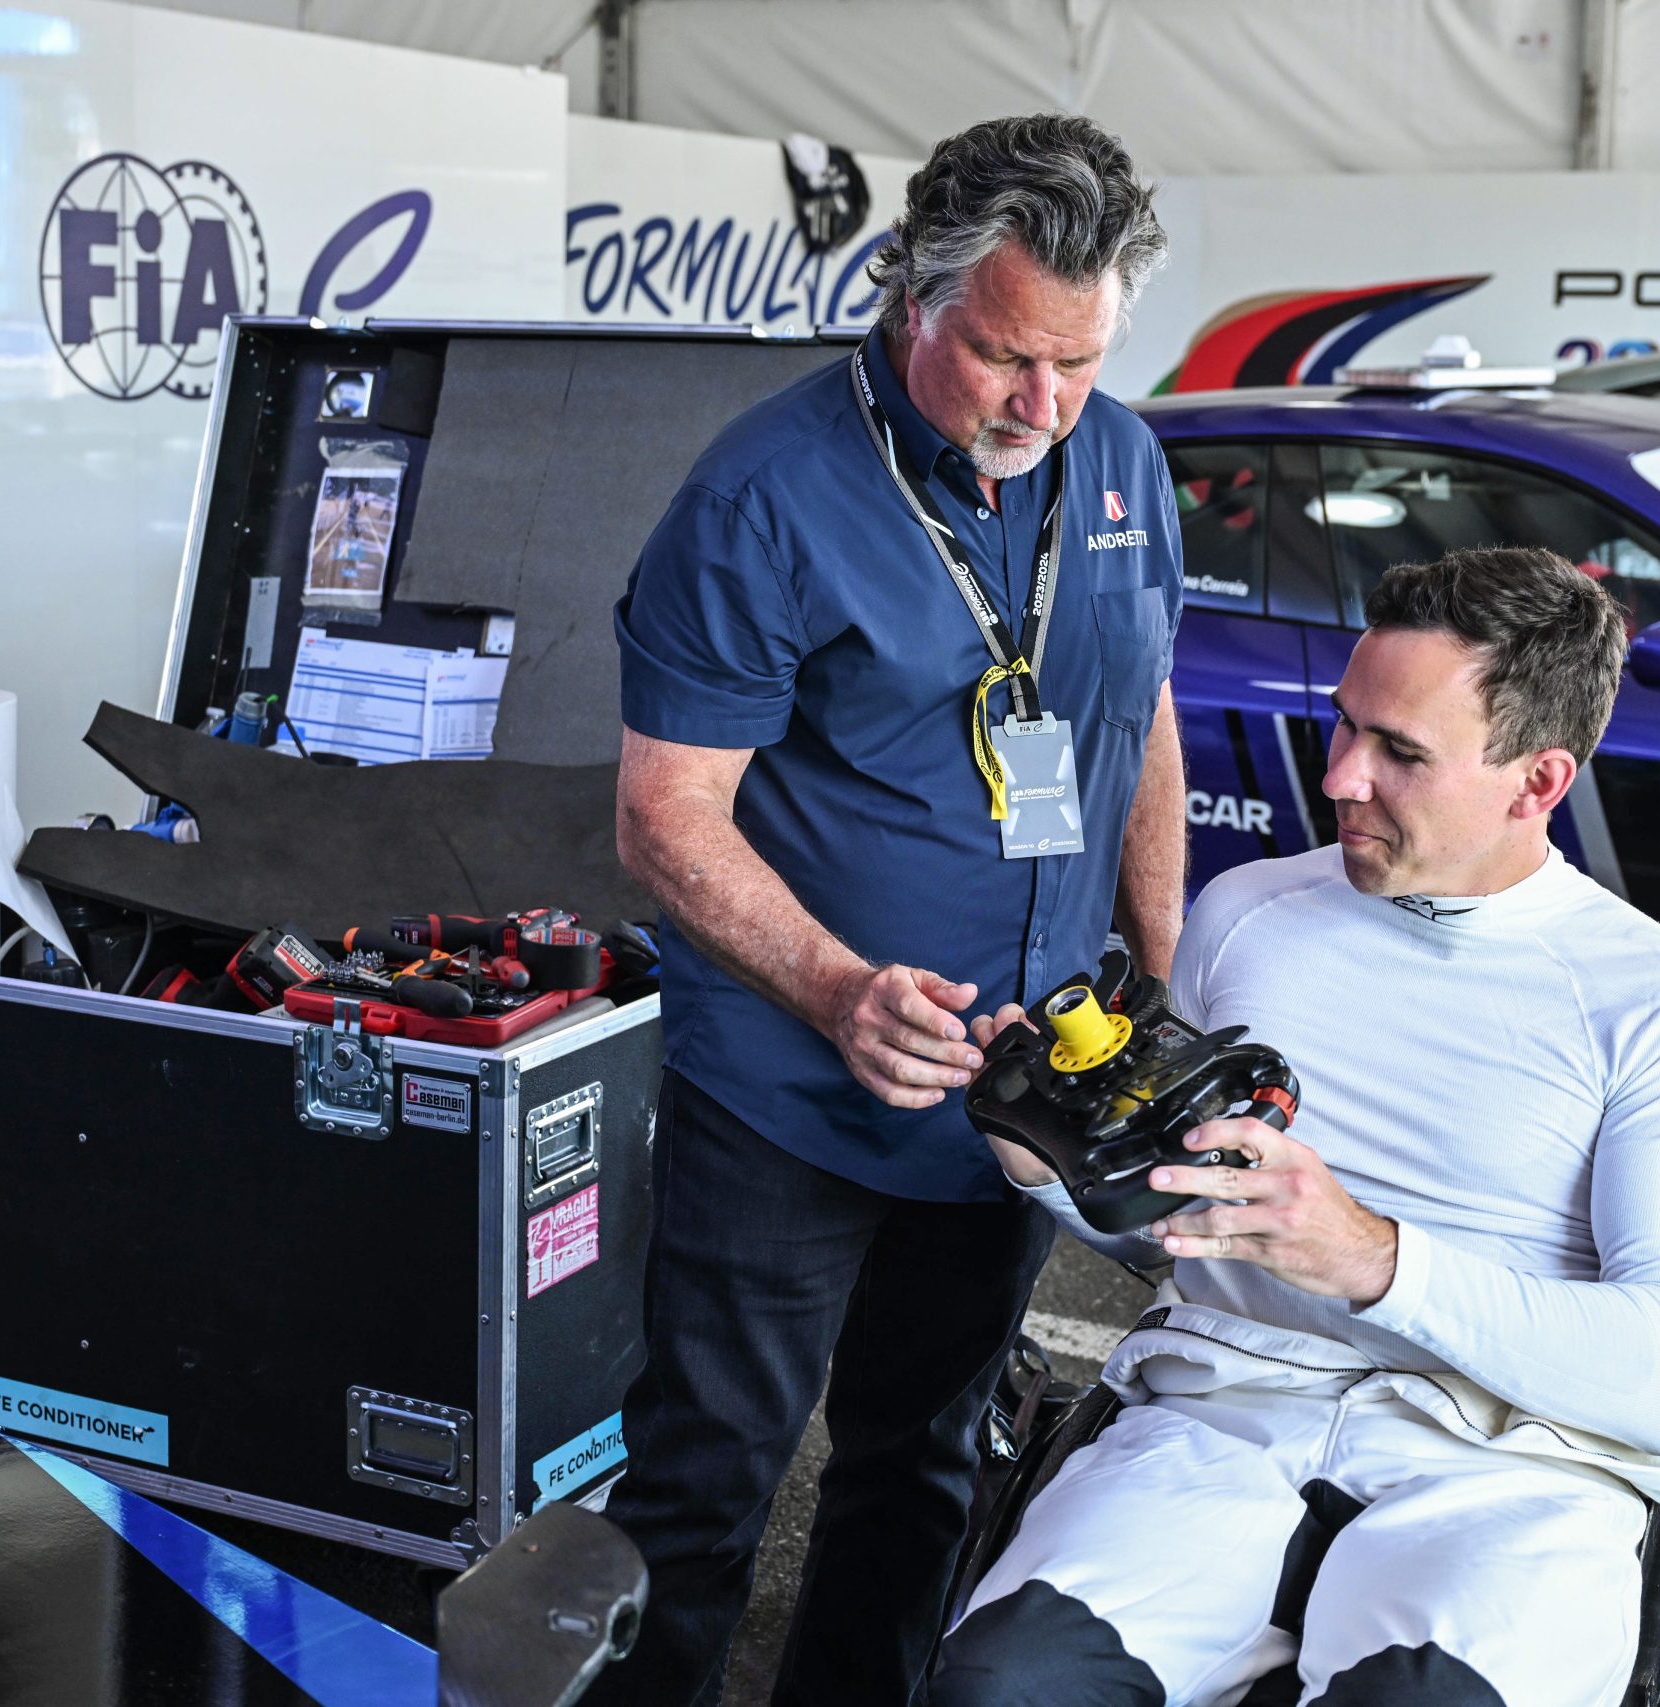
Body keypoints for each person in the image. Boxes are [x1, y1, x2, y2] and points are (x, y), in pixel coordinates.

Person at [933, 546, 1660, 1707]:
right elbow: (1183, 1232)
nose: (1340, 779)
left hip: (1510, 1464)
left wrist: (1373, 1260)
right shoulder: (1246, 916)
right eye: (1345, 726)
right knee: (995, 1688)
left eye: (1401, 754)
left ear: (1538, 782)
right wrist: (1049, 1168)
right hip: (1224, 1418)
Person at [599, 114, 1185, 1706]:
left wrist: (1163, 956)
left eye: (1078, 364)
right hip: (790, 1094)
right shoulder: (762, 497)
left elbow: (1139, 717)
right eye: (1004, 357)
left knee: (923, 1469)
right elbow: (666, 823)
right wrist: (839, 988)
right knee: (705, 1486)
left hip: (1010, 1096)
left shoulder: (1117, 459)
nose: (1042, 408)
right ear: (906, 295)